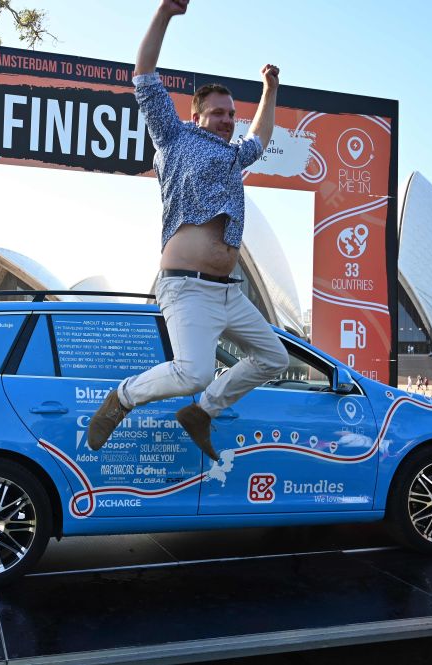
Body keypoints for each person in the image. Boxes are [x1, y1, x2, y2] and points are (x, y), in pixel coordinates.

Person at [87, 0, 288, 462]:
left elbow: (260, 135)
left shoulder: (235, 157)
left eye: (230, 113)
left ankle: (202, 413)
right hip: (187, 290)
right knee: (193, 371)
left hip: (228, 294)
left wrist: (269, 88)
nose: (227, 119)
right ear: (197, 116)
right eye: (218, 112)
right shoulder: (174, 137)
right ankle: (122, 397)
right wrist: (164, 14)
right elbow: (143, 74)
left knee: (274, 359)